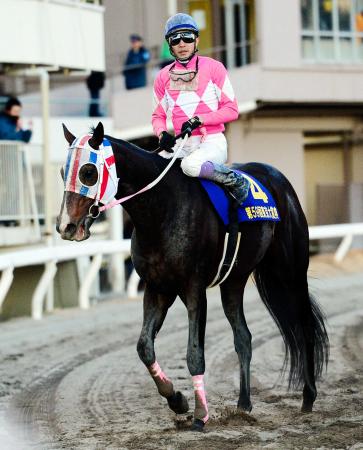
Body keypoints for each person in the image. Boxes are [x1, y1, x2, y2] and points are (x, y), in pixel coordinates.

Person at [152, 13, 249, 205]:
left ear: (196, 39)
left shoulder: (214, 68)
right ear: (169, 44)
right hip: (182, 145)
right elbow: (158, 116)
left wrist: (200, 119)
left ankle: (234, 180)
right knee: (152, 166)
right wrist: (162, 135)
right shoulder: (162, 77)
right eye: (175, 39)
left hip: (212, 142)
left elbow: (232, 109)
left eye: (187, 37)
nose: (182, 43)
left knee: (190, 165)